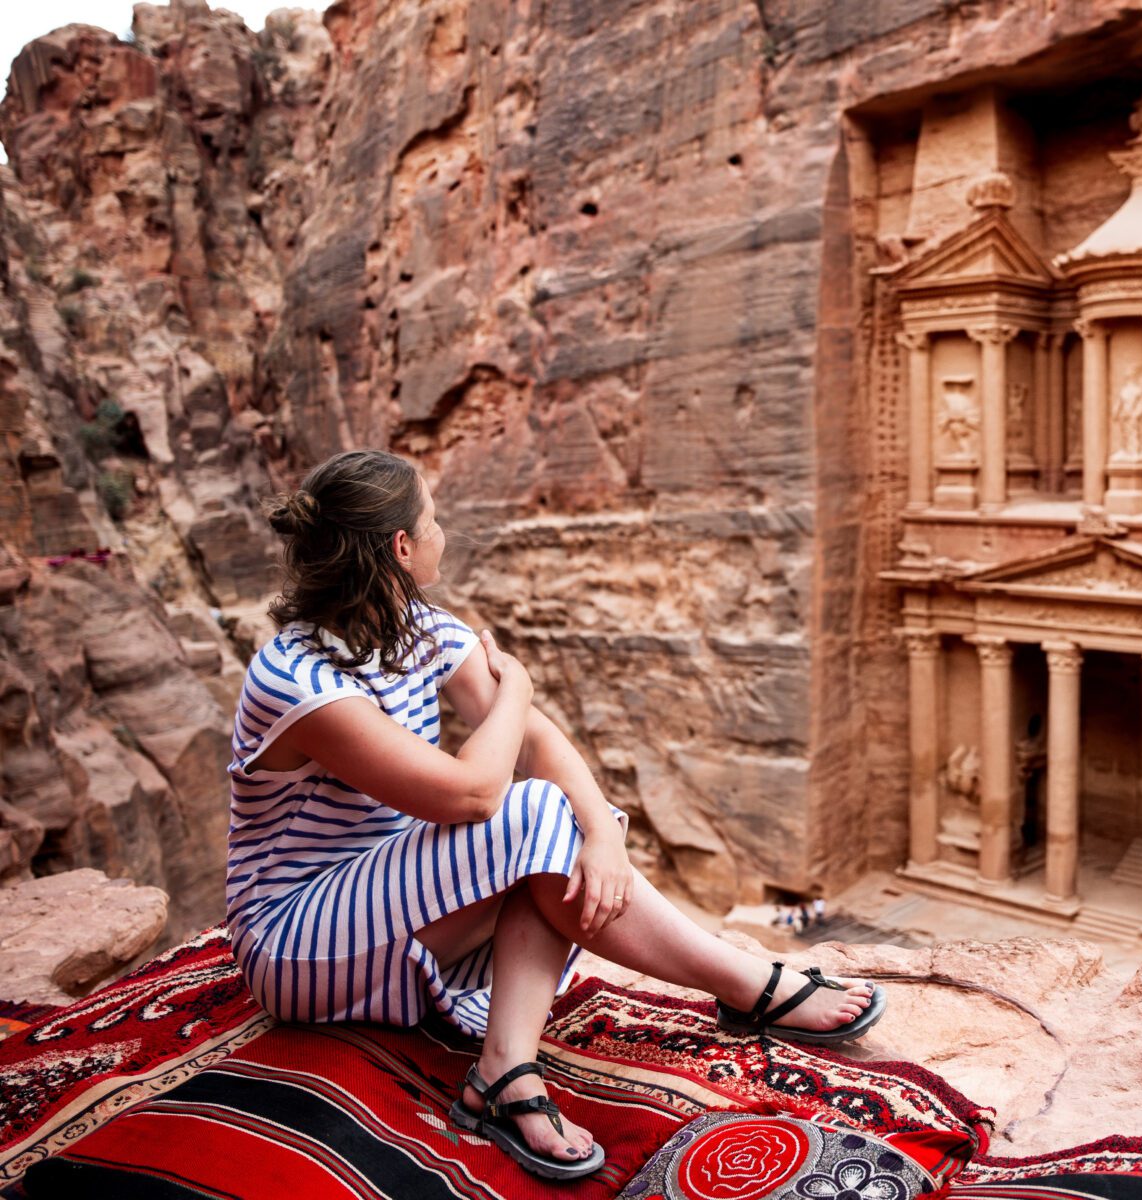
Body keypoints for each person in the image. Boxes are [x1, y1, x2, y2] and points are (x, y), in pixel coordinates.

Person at [224, 449, 883, 1182]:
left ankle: (505, 1072)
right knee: (532, 811)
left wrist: (604, 838)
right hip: (292, 944)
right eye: (432, 519)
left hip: (385, 915)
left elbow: (539, 739)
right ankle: (746, 985)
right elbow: (474, 793)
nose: (444, 532)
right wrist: (516, 689)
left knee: (555, 837)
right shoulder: (297, 683)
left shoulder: (419, 628)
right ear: (402, 548)